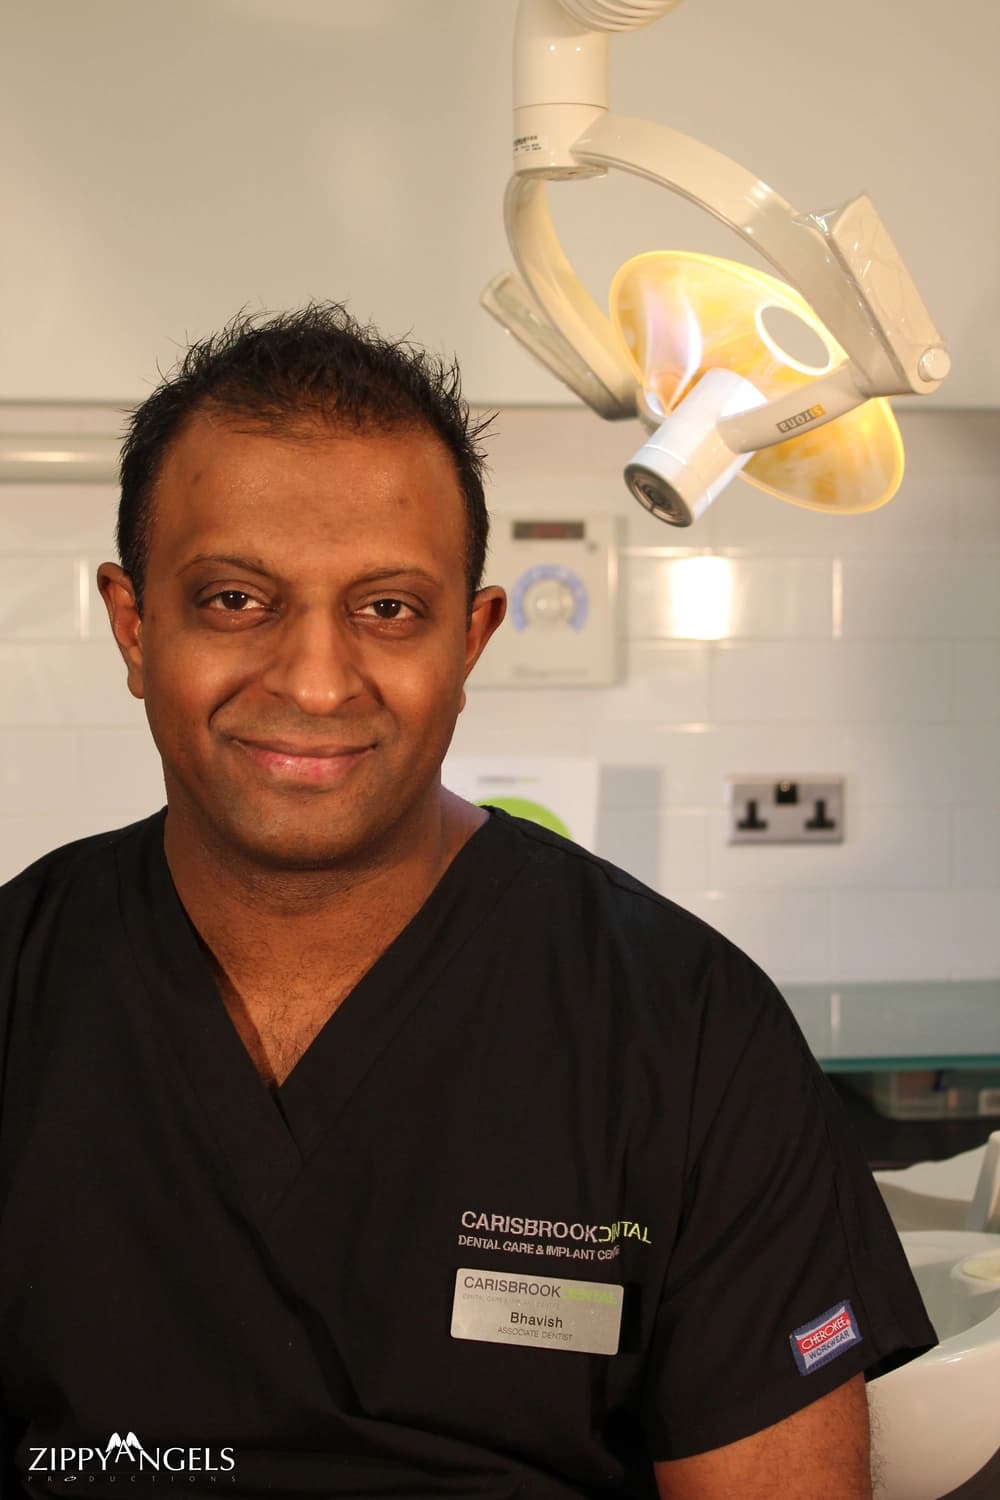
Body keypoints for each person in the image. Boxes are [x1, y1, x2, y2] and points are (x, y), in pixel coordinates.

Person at [0, 304, 934, 1499]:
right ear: (134, 627)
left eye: (387, 609)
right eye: (237, 599)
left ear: (471, 639)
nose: (317, 680)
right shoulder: (20, 993)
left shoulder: (687, 1034)